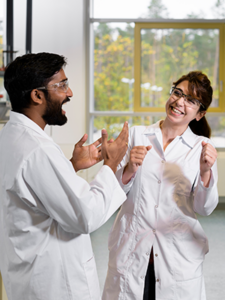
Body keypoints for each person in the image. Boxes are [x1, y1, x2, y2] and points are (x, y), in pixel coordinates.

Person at [0, 52, 129, 300]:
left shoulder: (11, 136)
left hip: (30, 277)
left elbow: (31, 193)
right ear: (37, 95)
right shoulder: (39, 150)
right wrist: (111, 165)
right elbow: (85, 216)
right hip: (56, 285)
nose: (69, 93)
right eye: (61, 86)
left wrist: (70, 166)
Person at [102, 71, 218, 300]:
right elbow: (112, 192)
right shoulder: (137, 135)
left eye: (191, 101)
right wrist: (127, 170)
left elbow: (204, 208)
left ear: (199, 114)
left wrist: (205, 172)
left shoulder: (202, 148)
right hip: (132, 250)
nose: (179, 102)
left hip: (177, 256)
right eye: (177, 93)